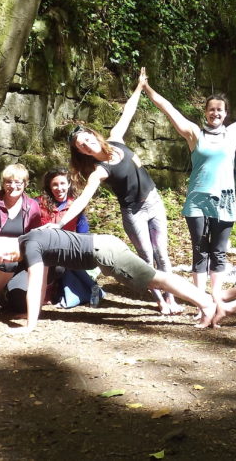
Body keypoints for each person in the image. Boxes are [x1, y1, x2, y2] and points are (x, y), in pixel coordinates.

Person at [143, 68, 236, 298]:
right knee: (199, 251)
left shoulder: (232, 134)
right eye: (211, 109)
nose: (215, 113)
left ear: (225, 113)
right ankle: (200, 300)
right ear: (205, 112)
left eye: (219, 110)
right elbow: (169, 109)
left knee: (218, 252)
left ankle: (215, 299)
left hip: (225, 201)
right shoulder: (195, 134)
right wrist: (146, 88)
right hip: (197, 199)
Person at [53, 69, 177, 313]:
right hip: (134, 212)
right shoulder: (99, 171)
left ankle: (172, 298)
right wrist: (61, 221)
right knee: (146, 257)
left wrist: (140, 87)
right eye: (81, 146)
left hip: (154, 201)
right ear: (82, 152)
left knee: (162, 252)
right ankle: (160, 301)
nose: (87, 145)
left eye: (86, 139)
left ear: (93, 135)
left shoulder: (116, 138)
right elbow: (83, 199)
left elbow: (128, 112)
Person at [0, 230, 218, 332]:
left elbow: (35, 285)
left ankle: (206, 303)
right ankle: (206, 301)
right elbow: (43, 276)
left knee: (157, 280)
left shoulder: (30, 245)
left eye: (3, 252)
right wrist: (30, 314)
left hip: (103, 251)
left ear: (7, 240)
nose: (5, 258)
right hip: (102, 247)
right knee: (156, 280)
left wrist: (30, 327)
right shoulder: (31, 240)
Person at [0, 163, 42, 312]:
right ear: (3, 183)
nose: (13, 186)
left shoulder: (32, 206)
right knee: (7, 258)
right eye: (8, 181)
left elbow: (35, 237)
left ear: (25, 184)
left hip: (20, 259)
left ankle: (7, 286)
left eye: (18, 182)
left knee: (21, 304)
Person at [33, 167, 101, 309]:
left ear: (69, 184)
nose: (59, 188)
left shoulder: (75, 206)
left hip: (67, 251)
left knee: (65, 266)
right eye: (55, 185)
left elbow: (84, 234)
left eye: (63, 184)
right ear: (49, 187)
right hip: (43, 250)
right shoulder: (38, 204)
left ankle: (91, 289)